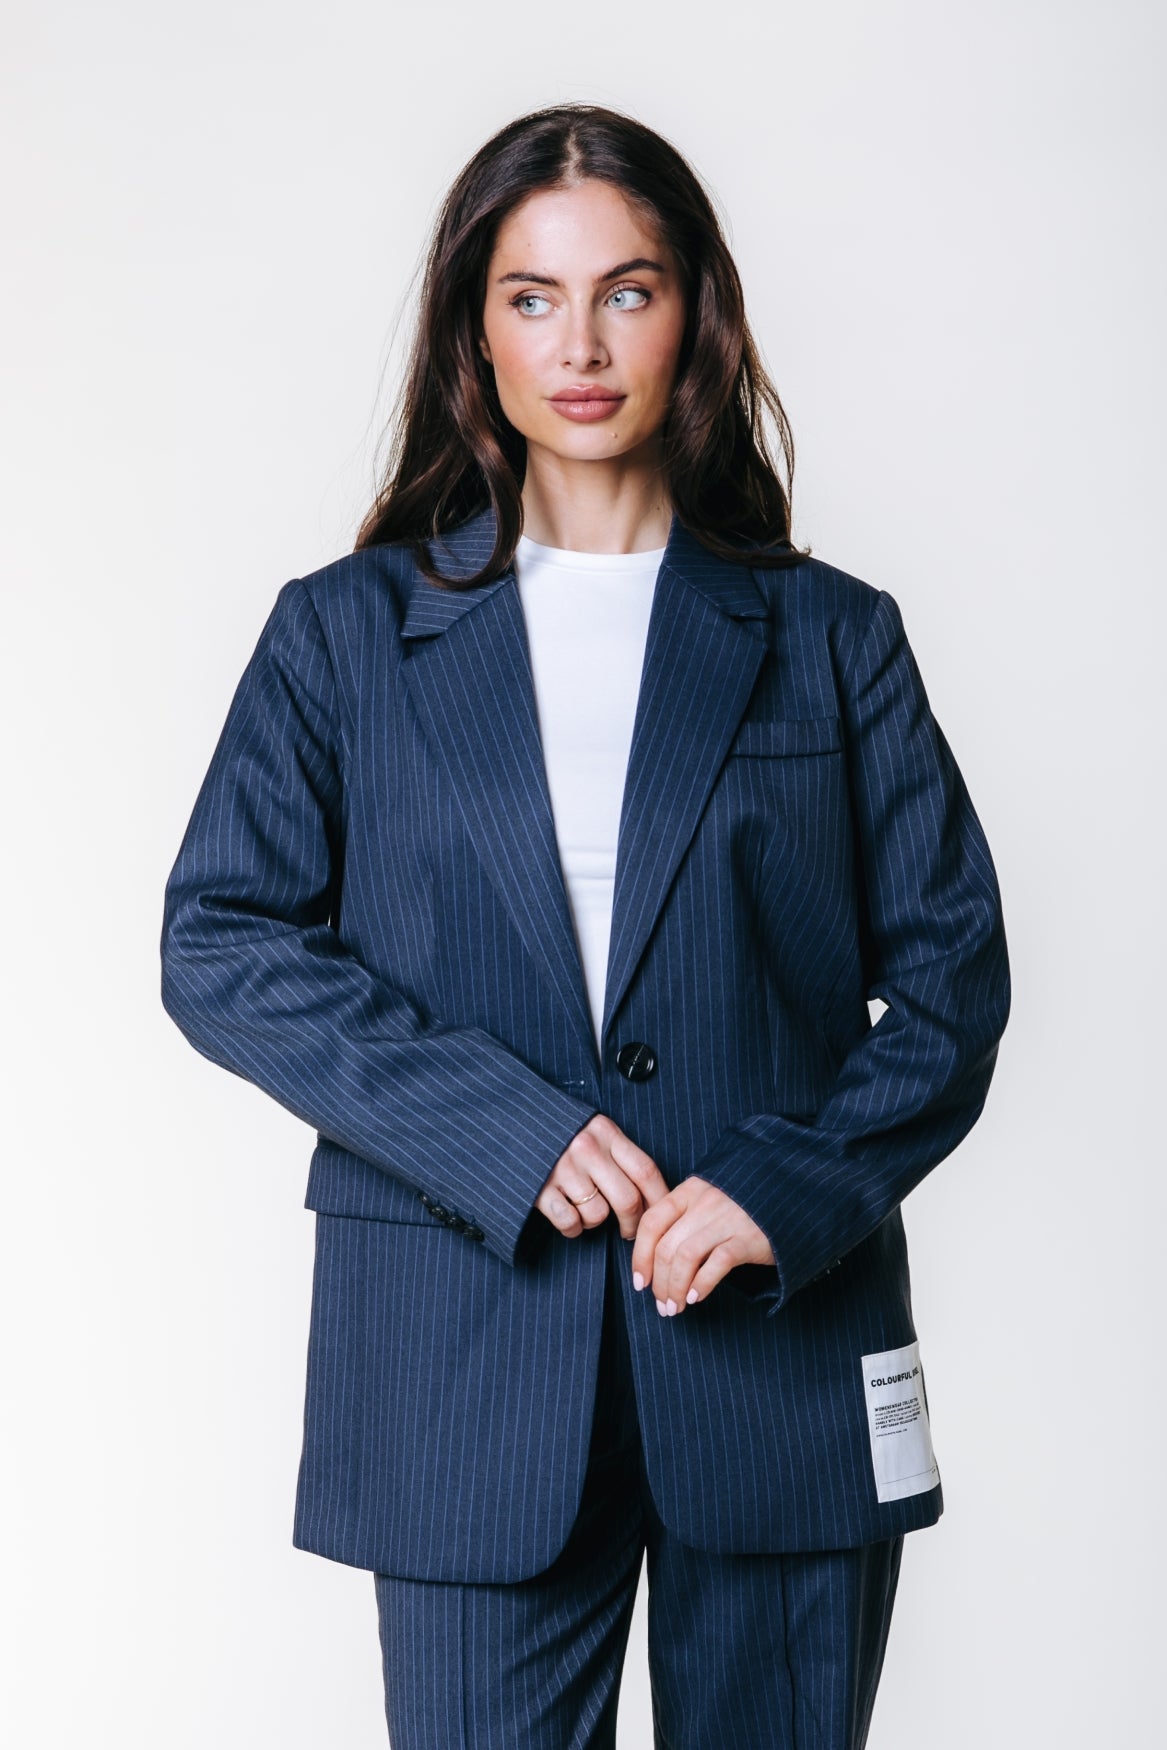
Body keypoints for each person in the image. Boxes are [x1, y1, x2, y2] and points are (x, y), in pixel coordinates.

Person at [160, 103, 1010, 1750]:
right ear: (474, 331)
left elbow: (953, 983)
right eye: (532, 296)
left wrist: (782, 1186)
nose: (583, 344)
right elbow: (222, 940)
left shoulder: (831, 636)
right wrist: (504, 1130)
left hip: (777, 1353)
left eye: (628, 290)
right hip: (464, 1361)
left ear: (696, 312)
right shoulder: (345, 636)